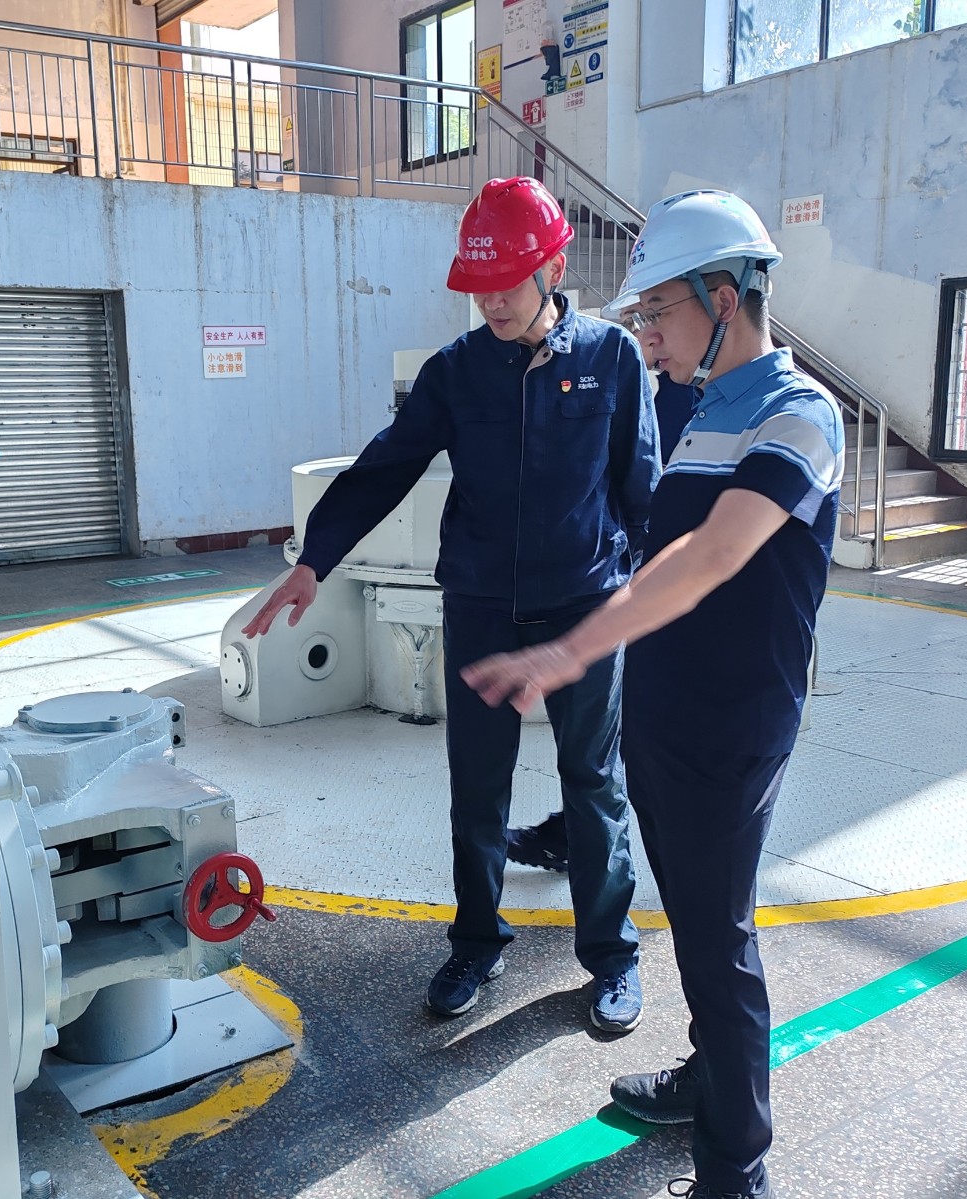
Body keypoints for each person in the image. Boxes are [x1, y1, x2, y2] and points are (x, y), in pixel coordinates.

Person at [462, 190, 844, 1199]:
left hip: (734, 723)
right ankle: (708, 1081)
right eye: (639, 317)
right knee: (696, 924)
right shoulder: (696, 406)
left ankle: (736, 1164)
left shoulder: (799, 414)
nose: (648, 336)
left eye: (659, 312)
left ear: (724, 297)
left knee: (719, 940)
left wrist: (569, 649)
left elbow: (712, 555)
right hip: (665, 713)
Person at [242, 177, 660, 1030]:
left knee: (593, 783)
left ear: (553, 269)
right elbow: (384, 468)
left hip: (585, 607)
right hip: (480, 607)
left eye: (506, 283)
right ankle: (476, 941)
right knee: (477, 788)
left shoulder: (612, 359)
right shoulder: (457, 373)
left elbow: (640, 488)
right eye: (479, 287)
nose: (492, 302)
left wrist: (637, 600)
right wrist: (315, 559)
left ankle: (611, 954)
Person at [505, 341, 699, 873]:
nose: (652, 338)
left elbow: (651, 489)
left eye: (658, 316)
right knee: (613, 733)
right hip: (639, 582)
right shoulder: (676, 387)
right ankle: (574, 834)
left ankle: (678, 856)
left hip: (673, 584)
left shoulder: (713, 395)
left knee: (641, 731)